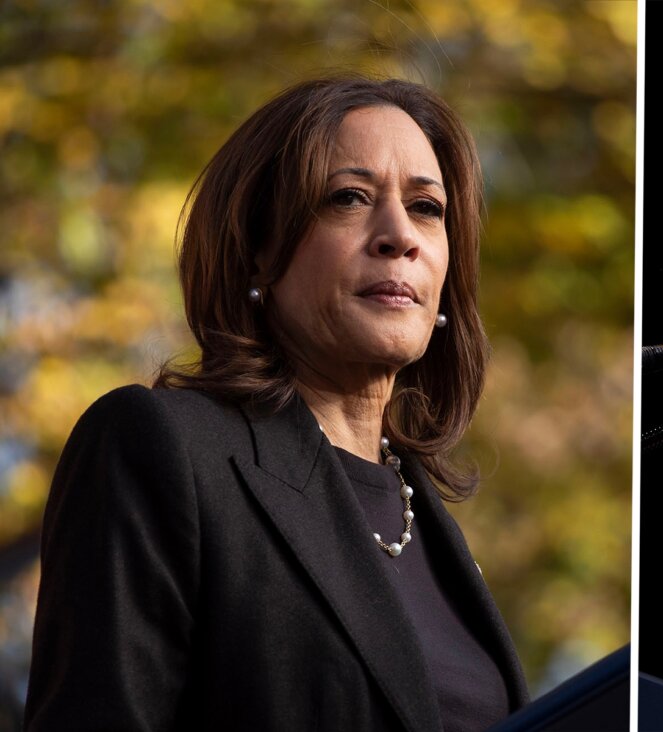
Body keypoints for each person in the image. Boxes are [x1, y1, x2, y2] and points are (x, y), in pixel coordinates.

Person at [25, 77, 529, 730]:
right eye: (349, 198)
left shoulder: (434, 526)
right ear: (258, 251)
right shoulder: (161, 449)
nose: (399, 236)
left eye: (427, 208)